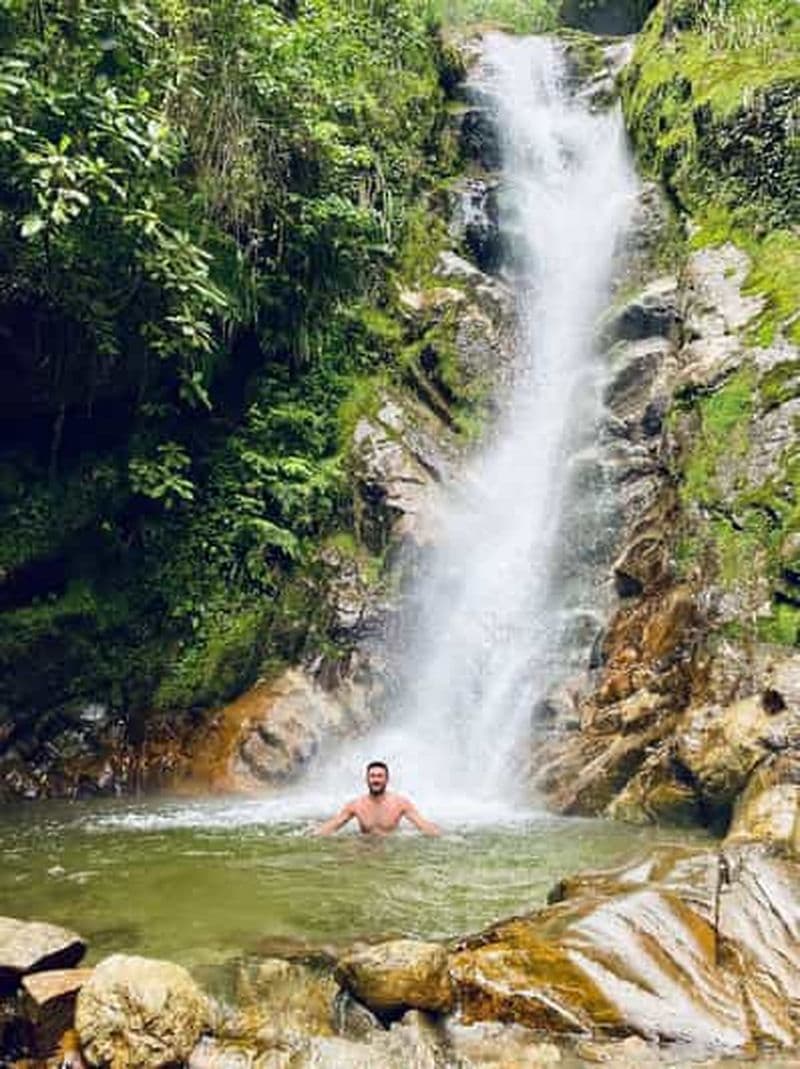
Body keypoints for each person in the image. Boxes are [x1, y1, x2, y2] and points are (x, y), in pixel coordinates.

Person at [314, 760, 440, 836]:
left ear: (387, 779)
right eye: (372, 776)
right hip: (364, 849)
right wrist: (312, 835)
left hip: (390, 850)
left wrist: (443, 835)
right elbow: (334, 825)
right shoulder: (356, 805)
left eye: (380, 776)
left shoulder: (400, 803)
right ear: (367, 779)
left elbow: (423, 825)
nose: (376, 780)